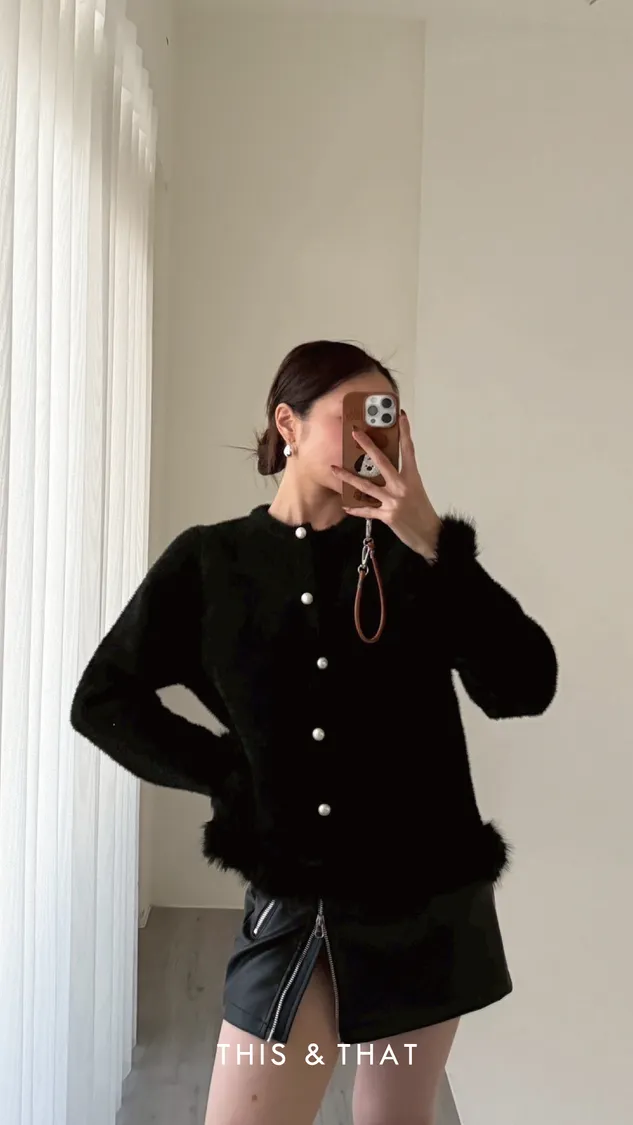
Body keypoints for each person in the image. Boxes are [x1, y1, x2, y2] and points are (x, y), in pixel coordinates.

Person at [70, 340, 558, 1125]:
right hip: (299, 902)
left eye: (386, 417)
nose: (372, 437)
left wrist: (431, 536)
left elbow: (524, 686)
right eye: (352, 416)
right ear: (287, 424)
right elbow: (102, 698)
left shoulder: (414, 559)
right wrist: (230, 774)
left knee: (395, 1117)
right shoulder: (213, 560)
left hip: (429, 897)